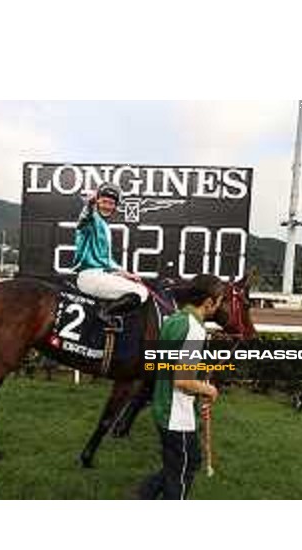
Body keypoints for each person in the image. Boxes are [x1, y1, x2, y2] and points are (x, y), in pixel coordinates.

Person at [138, 274, 224, 500]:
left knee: (179, 464)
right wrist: (208, 390)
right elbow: (182, 380)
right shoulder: (194, 329)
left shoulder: (173, 320)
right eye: (220, 300)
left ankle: (142, 497)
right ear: (208, 302)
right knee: (183, 471)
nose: (220, 305)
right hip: (177, 416)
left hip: (163, 409)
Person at [72, 182, 149, 324]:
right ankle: (105, 314)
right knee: (141, 293)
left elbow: (107, 261)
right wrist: (89, 204)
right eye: (104, 201)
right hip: (90, 277)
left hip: (100, 275)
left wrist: (128, 274)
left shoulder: (104, 226)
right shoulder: (92, 218)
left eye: (111, 203)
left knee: (140, 288)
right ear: (97, 201)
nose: (107, 206)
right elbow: (84, 219)